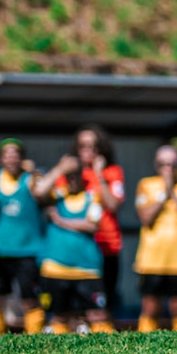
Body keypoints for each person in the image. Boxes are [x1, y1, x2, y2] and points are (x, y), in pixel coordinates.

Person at [35, 127, 126, 319]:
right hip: (72, 252)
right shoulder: (70, 174)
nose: (89, 151)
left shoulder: (111, 172)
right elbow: (40, 193)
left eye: (94, 146)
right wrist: (60, 168)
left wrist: (99, 175)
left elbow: (113, 205)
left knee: (102, 307)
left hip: (105, 246)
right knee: (67, 312)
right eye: (83, 146)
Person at [38, 157, 114, 334]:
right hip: (56, 268)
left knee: (98, 316)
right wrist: (59, 169)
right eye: (68, 176)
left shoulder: (92, 196)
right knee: (59, 317)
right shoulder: (56, 195)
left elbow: (92, 224)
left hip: (87, 268)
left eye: (75, 175)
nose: (72, 179)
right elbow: (39, 192)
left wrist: (60, 220)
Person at [0, 138, 46, 334]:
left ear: (22, 158)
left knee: (29, 298)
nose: (11, 159)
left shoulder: (30, 179)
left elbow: (44, 194)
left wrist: (36, 172)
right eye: (7, 154)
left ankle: (33, 340)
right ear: (0, 159)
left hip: (26, 250)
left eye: (15, 154)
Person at [133, 146, 177, 333]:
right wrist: (164, 193)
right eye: (163, 164)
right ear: (156, 166)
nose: (168, 169)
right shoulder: (145, 185)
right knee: (150, 307)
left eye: (173, 164)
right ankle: (144, 347)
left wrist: (173, 191)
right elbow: (145, 218)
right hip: (152, 258)